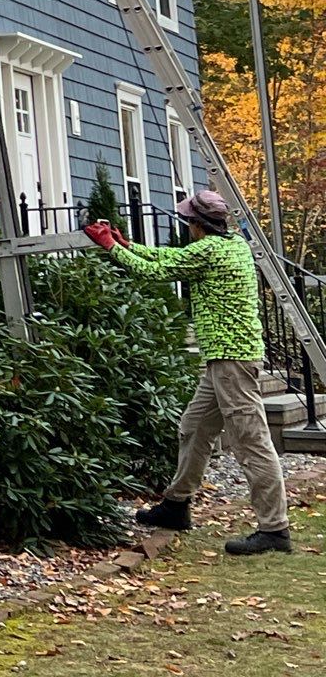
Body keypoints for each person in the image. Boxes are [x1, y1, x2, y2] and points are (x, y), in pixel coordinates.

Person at [85, 191, 290, 556]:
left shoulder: (210, 251)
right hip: (222, 361)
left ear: (198, 225)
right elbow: (171, 257)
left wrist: (112, 249)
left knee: (251, 442)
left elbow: (155, 271)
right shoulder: (233, 245)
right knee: (193, 428)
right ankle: (176, 506)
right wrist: (125, 242)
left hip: (233, 361)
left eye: (188, 223)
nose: (187, 229)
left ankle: (274, 530)